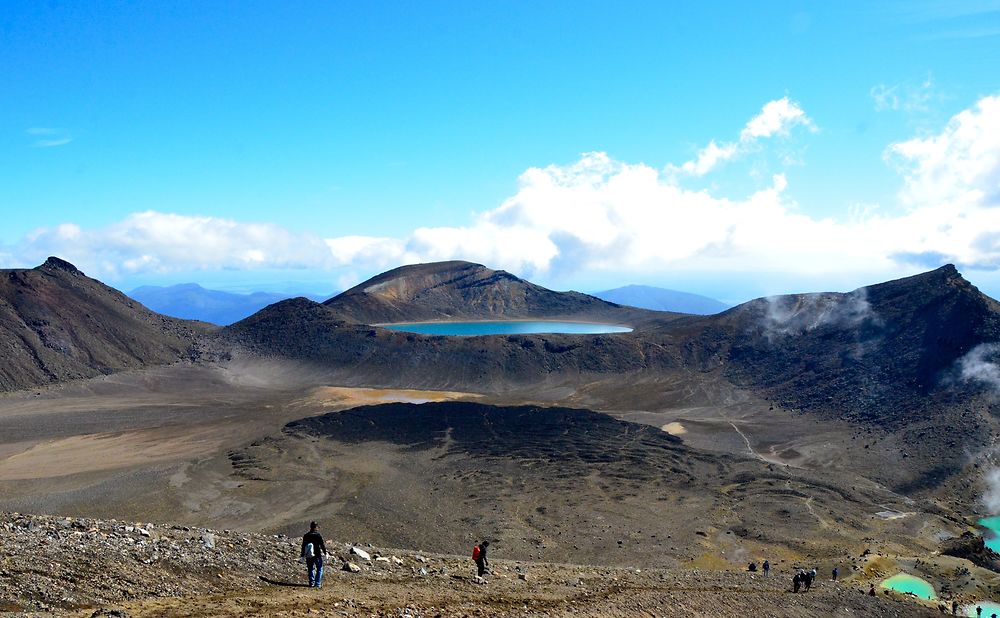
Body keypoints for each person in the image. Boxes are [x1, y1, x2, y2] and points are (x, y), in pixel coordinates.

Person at [301, 521, 327, 588]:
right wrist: (325, 553)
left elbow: (303, 546)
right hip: (317, 555)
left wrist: (302, 555)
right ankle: (317, 584)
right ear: (316, 527)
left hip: (308, 555)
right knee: (319, 568)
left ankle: (311, 582)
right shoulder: (318, 536)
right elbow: (322, 545)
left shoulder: (306, 535)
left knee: (310, 568)